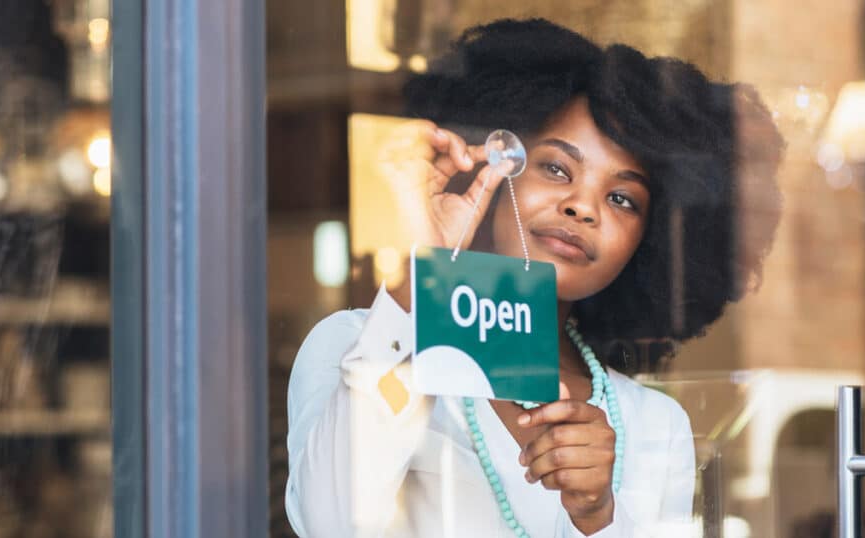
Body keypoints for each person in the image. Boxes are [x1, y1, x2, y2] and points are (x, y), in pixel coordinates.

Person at [285, 18, 784, 537]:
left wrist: (598, 516)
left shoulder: (655, 424)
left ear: (650, 242)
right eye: (556, 168)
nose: (581, 207)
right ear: (496, 172)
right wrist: (423, 274)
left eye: (621, 198)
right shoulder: (358, 347)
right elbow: (330, 523)